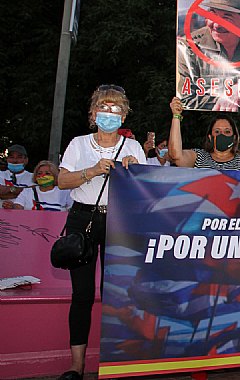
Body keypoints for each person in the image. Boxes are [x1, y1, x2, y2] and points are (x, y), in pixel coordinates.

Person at [56, 84, 146, 380]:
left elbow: (145, 191)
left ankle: (115, 362)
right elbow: (61, 181)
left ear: (124, 115)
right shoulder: (79, 144)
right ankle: (76, 366)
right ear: (93, 113)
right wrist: (91, 171)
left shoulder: (132, 147)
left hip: (120, 221)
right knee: (81, 294)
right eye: (104, 108)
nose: (109, 114)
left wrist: (135, 172)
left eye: (116, 109)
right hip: (83, 219)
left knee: (117, 294)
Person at [168, 97, 240, 171]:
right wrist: (176, 116)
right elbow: (176, 156)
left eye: (227, 131)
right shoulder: (198, 157)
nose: (222, 135)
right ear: (210, 137)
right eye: (217, 132)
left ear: (234, 137)